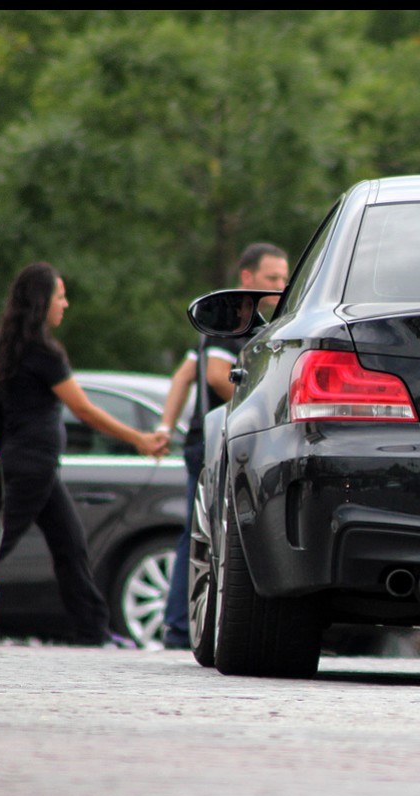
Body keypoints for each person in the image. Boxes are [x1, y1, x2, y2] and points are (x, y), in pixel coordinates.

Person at [0, 262, 169, 646]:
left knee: (70, 545)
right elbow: (84, 410)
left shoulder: (4, 349)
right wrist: (139, 439)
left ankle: (92, 631)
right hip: (33, 466)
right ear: (42, 302)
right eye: (60, 296)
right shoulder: (45, 352)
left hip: (32, 466)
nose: (65, 304)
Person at [158, 243, 289, 649]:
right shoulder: (233, 317)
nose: (281, 286)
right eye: (272, 279)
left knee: (198, 532)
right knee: (205, 533)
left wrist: (166, 425)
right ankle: (180, 626)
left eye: (285, 278)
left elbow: (183, 376)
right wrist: (263, 401)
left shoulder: (256, 320)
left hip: (207, 437)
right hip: (214, 440)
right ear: (246, 279)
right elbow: (216, 375)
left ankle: (180, 624)